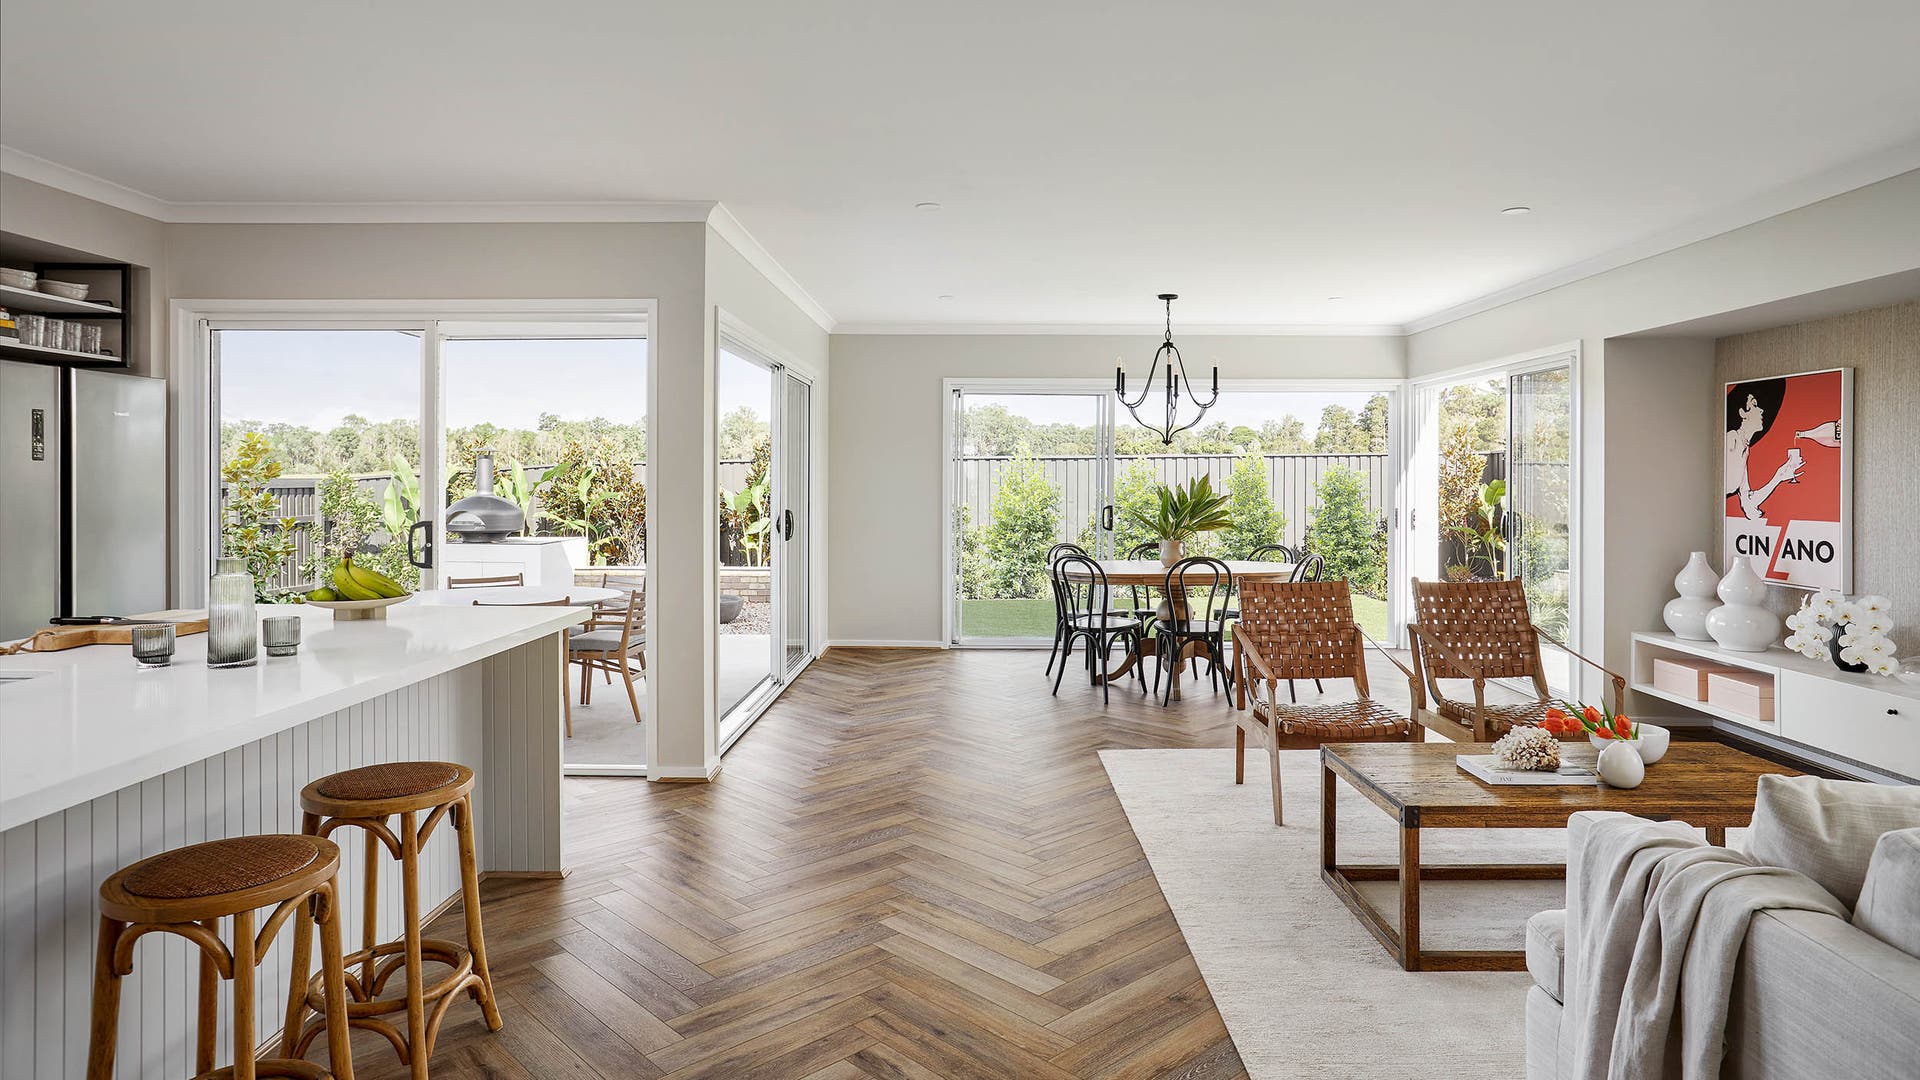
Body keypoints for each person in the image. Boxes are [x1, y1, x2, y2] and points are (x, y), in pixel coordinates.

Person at [1725, 382, 1801, 521]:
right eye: (1754, 405)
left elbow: (1748, 503)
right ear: (1743, 413)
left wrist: (1779, 476)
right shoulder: (1731, 440)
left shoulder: (1744, 448)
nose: (1761, 410)